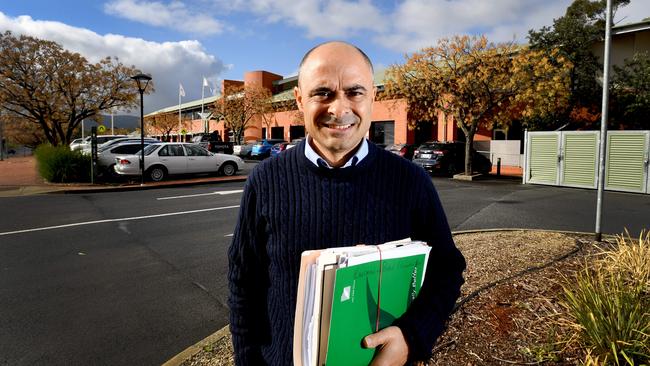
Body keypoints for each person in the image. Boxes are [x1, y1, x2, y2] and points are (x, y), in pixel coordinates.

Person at [228, 41, 466, 366]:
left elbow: (447, 269)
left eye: (354, 92)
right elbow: (244, 284)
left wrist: (412, 336)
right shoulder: (265, 181)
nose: (339, 109)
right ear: (299, 99)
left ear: (372, 97)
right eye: (322, 93)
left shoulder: (411, 181)